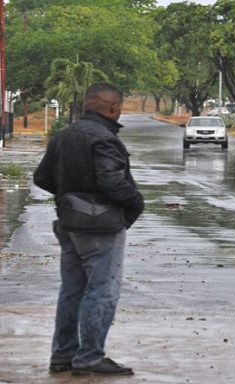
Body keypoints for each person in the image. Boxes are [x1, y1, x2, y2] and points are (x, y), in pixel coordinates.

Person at [33, 82, 144, 376]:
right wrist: (136, 203)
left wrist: (70, 196)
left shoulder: (63, 136)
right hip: (100, 228)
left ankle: (62, 355)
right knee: (102, 291)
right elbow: (111, 182)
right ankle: (90, 357)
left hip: (68, 224)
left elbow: (41, 177)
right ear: (112, 108)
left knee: (71, 290)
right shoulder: (105, 139)